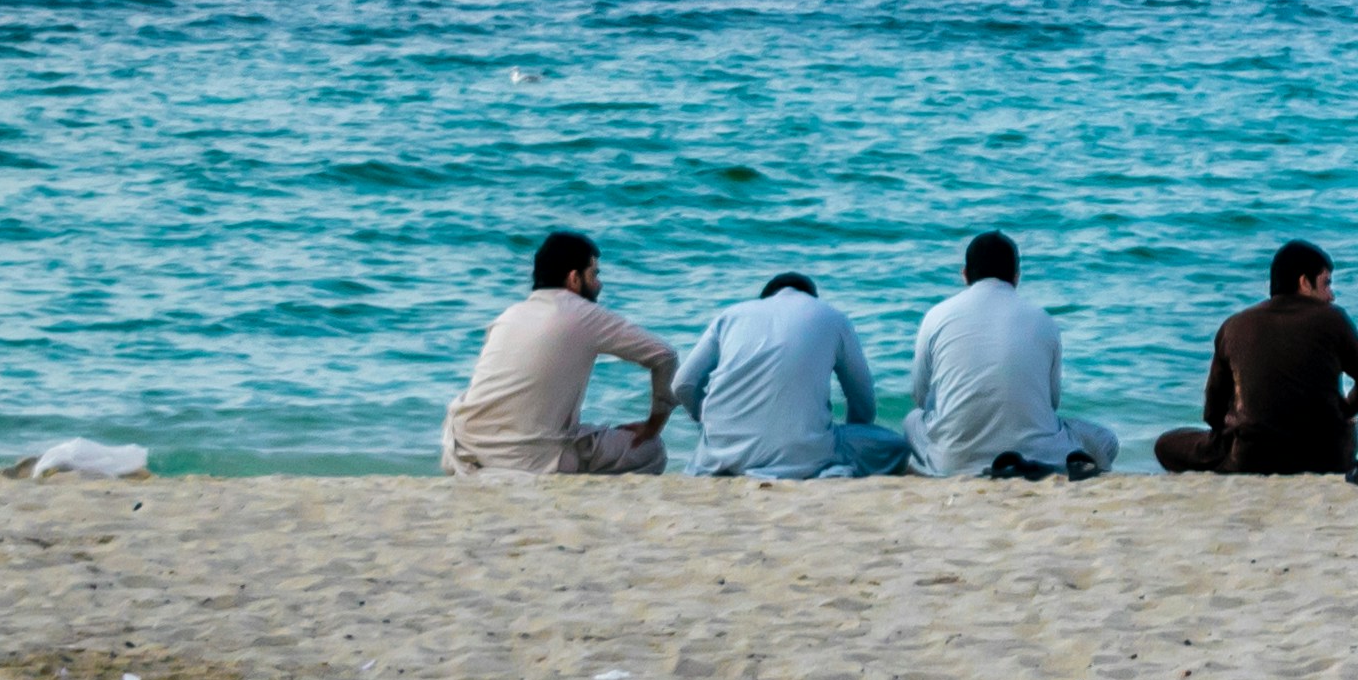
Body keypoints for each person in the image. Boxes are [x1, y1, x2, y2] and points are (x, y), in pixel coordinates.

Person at [442, 230, 678, 475]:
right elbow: (664, 355)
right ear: (574, 278)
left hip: (465, 449)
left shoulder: (509, 316)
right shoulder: (583, 313)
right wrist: (654, 424)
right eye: (594, 274)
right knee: (651, 449)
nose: (599, 284)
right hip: (530, 457)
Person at [1154, 241, 1358, 476]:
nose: (1332, 296)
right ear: (1304, 282)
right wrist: (1347, 409)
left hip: (1251, 459)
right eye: (1326, 283)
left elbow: (1212, 413)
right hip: (1327, 459)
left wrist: (1235, 422)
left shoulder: (1235, 325)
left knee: (1166, 444)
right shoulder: (1334, 319)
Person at [906, 232, 1116, 480]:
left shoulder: (936, 315)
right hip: (1040, 453)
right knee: (1106, 440)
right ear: (1016, 277)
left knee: (912, 420)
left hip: (955, 460)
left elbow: (920, 396)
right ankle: (1062, 465)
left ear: (965, 274)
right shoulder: (1043, 320)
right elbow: (1052, 402)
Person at [675, 271, 914, 479]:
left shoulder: (730, 316)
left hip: (719, 455)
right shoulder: (832, 317)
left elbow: (682, 384)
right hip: (801, 453)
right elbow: (862, 398)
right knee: (899, 446)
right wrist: (859, 433)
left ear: (765, 299)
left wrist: (703, 419)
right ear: (812, 297)